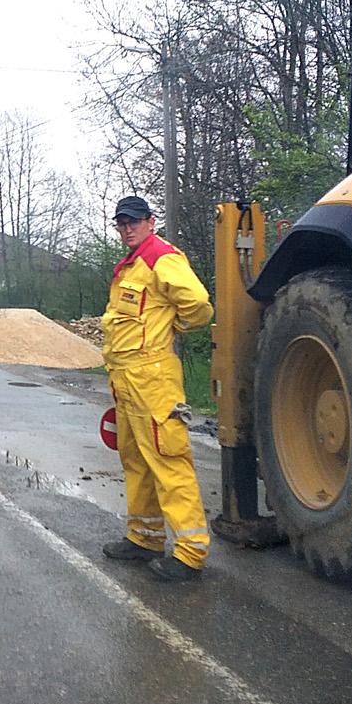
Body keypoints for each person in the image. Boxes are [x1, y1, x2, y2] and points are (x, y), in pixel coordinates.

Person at [99, 195, 215, 582]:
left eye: (134, 221)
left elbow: (198, 304)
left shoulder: (160, 257)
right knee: (135, 459)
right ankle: (144, 536)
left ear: (150, 222)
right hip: (128, 379)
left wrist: (175, 328)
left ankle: (189, 552)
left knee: (168, 459)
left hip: (153, 379)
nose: (127, 228)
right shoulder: (130, 265)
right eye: (121, 223)